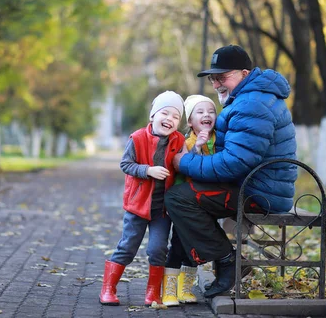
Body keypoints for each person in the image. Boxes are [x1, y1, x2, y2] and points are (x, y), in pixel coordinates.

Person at [165, 45, 297, 299]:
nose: (216, 84)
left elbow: (233, 163)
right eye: (213, 78)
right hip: (258, 186)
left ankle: (228, 262)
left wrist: (183, 163)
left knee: (177, 198)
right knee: (184, 195)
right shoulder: (253, 98)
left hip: (260, 194)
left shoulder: (252, 104)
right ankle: (223, 260)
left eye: (222, 77)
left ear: (244, 73)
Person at [100, 91, 186, 306]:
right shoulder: (137, 138)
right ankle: (108, 289)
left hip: (162, 209)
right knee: (128, 246)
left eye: (175, 117)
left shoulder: (179, 140)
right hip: (137, 206)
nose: (169, 119)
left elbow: (184, 165)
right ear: (152, 116)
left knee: (158, 249)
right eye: (164, 113)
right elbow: (125, 164)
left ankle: (152, 294)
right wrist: (148, 170)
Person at [162, 95, 217, 306]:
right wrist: (197, 147)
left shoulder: (220, 140)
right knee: (178, 243)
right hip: (186, 202)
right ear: (191, 122)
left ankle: (185, 288)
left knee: (194, 246)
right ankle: (169, 290)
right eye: (200, 112)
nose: (206, 115)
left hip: (208, 203)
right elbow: (184, 165)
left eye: (211, 111)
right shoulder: (186, 142)